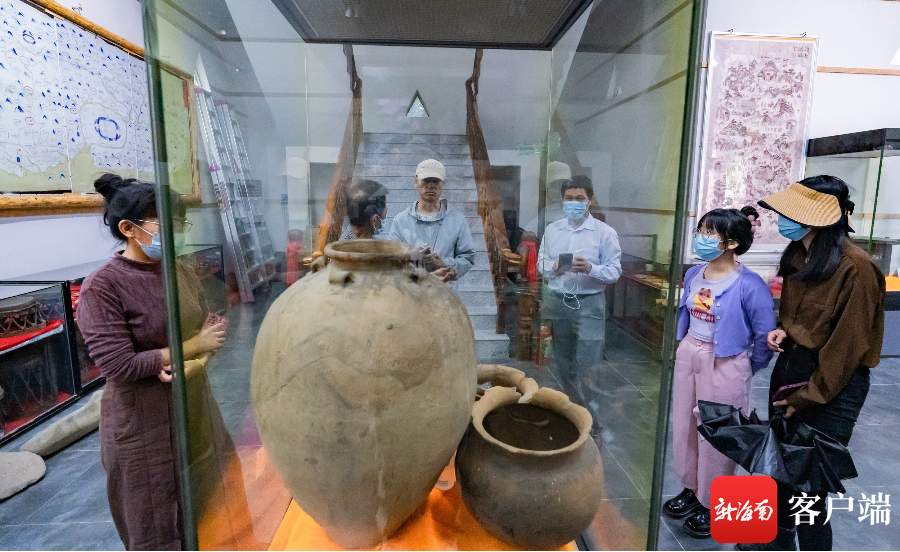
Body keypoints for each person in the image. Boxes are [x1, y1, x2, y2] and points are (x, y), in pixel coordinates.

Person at [76, 174, 227, 551]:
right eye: (167, 224)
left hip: (194, 405)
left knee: (211, 508)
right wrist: (194, 346)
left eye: (180, 223)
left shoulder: (179, 269)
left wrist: (198, 361)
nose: (176, 233)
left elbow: (210, 324)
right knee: (155, 521)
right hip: (142, 421)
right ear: (128, 229)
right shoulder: (102, 286)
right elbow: (120, 366)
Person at [741, 176, 886, 552]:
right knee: (779, 469)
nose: (781, 220)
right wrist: (783, 330)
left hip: (832, 386)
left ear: (816, 217)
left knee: (810, 489)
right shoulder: (798, 256)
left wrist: (806, 397)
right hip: (793, 370)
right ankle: (772, 544)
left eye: (790, 213)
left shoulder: (857, 268)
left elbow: (846, 349)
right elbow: (804, 318)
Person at [664, 208, 776, 539]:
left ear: (732, 243)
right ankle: (691, 487)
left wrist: (745, 368)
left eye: (709, 233)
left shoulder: (750, 284)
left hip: (726, 360)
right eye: (700, 231)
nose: (701, 238)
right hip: (690, 352)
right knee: (684, 425)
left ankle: (715, 503)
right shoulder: (694, 273)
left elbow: (764, 335)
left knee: (719, 432)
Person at [537, 178, 621, 412]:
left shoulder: (604, 233)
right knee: (563, 360)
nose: (574, 202)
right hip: (559, 301)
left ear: (589, 200)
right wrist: (554, 267)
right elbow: (541, 263)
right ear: (563, 200)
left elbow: (614, 271)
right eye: (569, 198)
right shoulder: (553, 230)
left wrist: (590, 268)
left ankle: (589, 414)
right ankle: (571, 409)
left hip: (589, 302)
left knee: (589, 362)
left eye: (580, 198)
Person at [388, 159, 476, 288]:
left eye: (436, 181)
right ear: (416, 181)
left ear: (443, 182)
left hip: (445, 291)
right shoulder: (400, 221)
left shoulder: (457, 220)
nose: (431, 186)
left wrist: (444, 264)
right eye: (426, 180)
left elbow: (467, 257)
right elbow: (391, 258)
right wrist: (413, 258)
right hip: (412, 290)